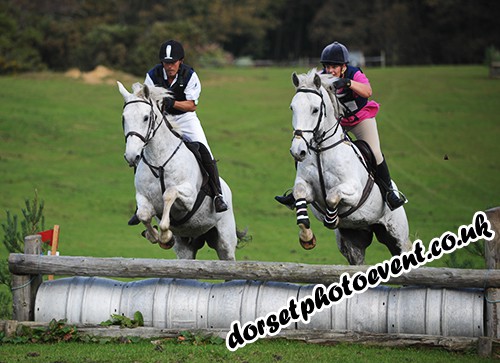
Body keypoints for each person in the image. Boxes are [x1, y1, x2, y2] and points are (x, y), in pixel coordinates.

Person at [275, 41, 406, 211]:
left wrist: (348, 83)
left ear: (344, 66)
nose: (330, 71)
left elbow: (368, 92)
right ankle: (297, 193)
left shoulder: (354, 73)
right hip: (339, 123)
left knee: (374, 152)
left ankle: (389, 191)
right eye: (327, 66)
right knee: (307, 147)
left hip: (360, 119)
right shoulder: (321, 78)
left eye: (334, 67)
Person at [128, 39, 227, 225]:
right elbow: (146, 99)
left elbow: (191, 106)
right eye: (166, 63)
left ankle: (217, 195)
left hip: (185, 118)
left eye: (173, 63)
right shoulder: (152, 75)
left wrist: (172, 103)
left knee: (204, 149)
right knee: (140, 152)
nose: (169, 67)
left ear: (180, 61)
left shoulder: (190, 75)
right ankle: (140, 204)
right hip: (162, 118)